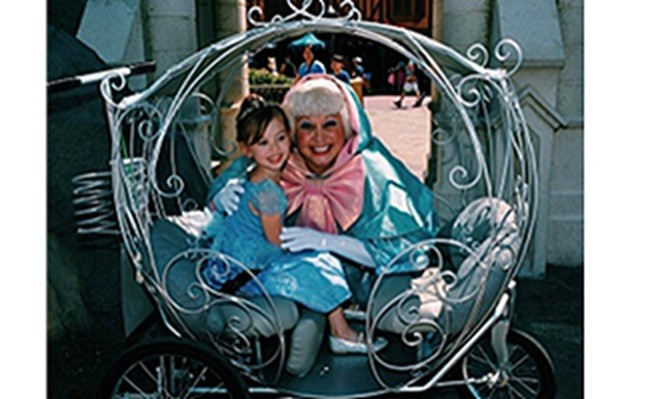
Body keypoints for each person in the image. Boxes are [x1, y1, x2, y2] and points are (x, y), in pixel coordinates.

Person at [209, 75, 440, 308]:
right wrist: (221, 196)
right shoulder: (278, 159)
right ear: (292, 133)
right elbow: (229, 184)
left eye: (330, 124)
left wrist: (327, 242)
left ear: (349, 127)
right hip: (291, 280)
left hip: (362, 286)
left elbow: (405, 251)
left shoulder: (375, 172)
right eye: (307, 126)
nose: (319, 137)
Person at [202, 94, 386, 355]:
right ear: (246, 149)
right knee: (317, 264)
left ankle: (339, 320)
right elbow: (276, 243)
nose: (275, 150)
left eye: (280, 138)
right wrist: (310, 252)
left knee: (318, 258)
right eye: (263, 143)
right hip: (246, 273)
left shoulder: (252, 177)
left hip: (233, 264)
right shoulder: (269, 193)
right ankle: (342, 332)